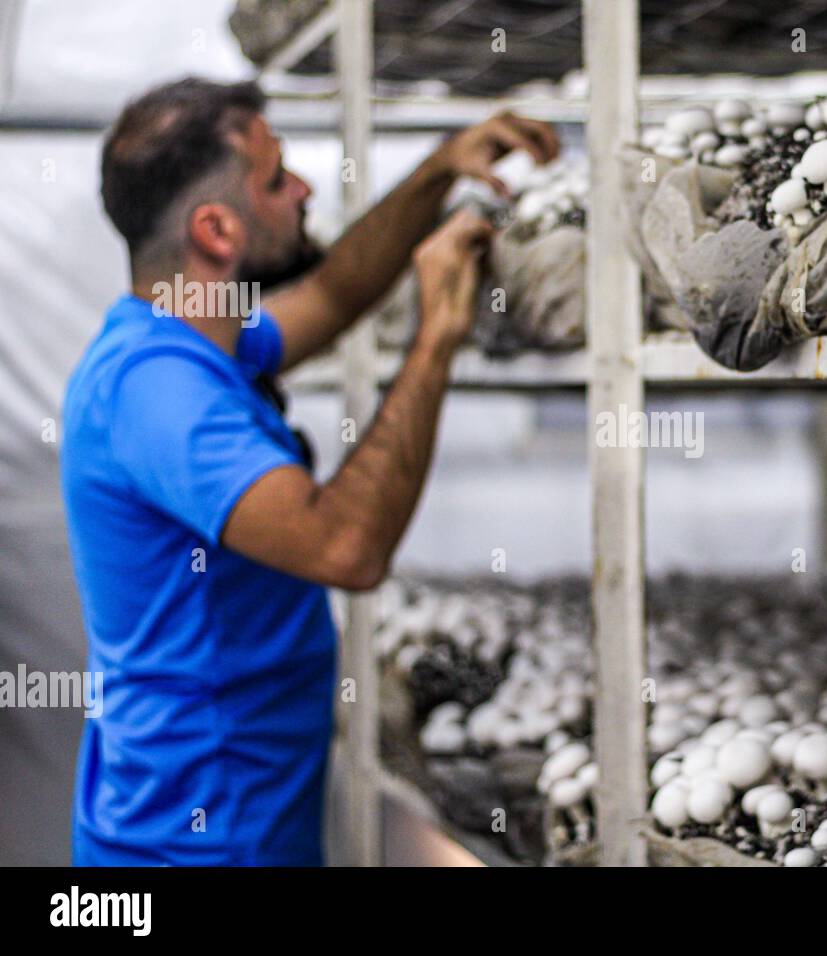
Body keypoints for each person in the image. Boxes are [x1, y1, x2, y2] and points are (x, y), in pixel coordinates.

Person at [60, 77, 559, 865]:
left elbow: (333, 291)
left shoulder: (195, 341)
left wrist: (439, 172)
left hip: (237, 827)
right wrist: (437, 335)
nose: (304, 190)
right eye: (276, 179)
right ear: (217, 231)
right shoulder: (160, 392)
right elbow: (345, 547)